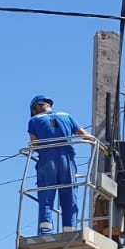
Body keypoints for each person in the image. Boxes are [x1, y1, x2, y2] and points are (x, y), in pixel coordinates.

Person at [27, 95, 89, 233]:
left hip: (47, 159)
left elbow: (34, 143)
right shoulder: (67, 116)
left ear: (36, 108)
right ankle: (70, 230)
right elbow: (84, 134)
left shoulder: (34, 120)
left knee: (46, 193)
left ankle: (45, 230)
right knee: (69, 192)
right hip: (67, 157)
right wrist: (102, 148)